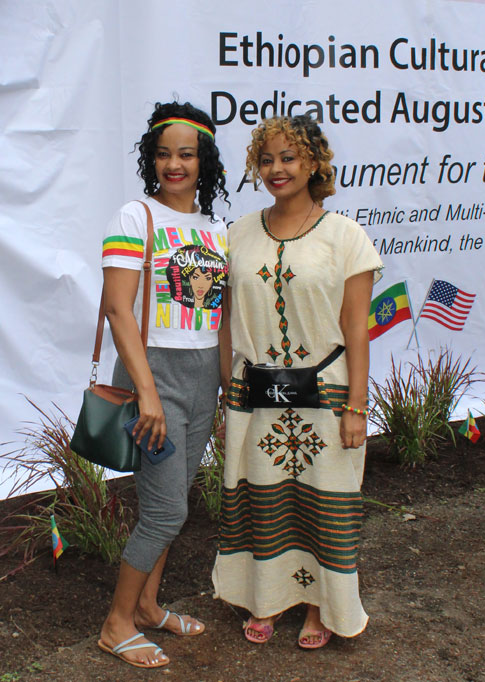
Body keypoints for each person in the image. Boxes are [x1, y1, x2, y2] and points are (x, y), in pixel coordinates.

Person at [212, 115, 383, 649]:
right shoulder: (236, 234)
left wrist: (357, 406)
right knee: (263, 501)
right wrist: (228, 396)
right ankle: (265, 599)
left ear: (313, 163)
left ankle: (319, 608)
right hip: (255, 396)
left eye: (288, 157)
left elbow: (357, 327)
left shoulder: (345, 235)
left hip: (326, 394)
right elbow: (225, 323)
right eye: (266, 160)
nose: (276, 169)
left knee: (323, 503)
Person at [98, 101, 229, 669]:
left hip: (203, 378)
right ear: (151, 159)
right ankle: (116, 624)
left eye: (187, 153)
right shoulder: (135, 216)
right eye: (163, 153)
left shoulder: (216, 229)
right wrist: (147, 391)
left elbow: (219, 318)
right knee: (164, 511)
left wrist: (227, 389)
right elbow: (117, 310)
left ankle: (149, 607)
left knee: (173, 499)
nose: (174, 164)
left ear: (205, 161)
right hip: (153, 373)